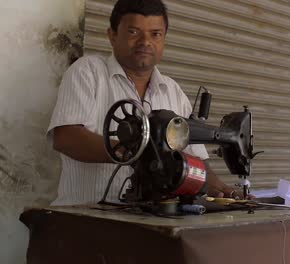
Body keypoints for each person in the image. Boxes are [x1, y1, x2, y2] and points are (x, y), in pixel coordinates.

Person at [47, 0, 243, 205]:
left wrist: (223, 190)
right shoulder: (88, 72)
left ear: (164, 39)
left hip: (150, 223)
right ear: (112, 35)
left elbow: (196, 160)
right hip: (86, 221)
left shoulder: (173, 91)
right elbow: (66, 137)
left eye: (155, 34)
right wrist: (135, 151)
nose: (145, 41)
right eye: (133, 32)